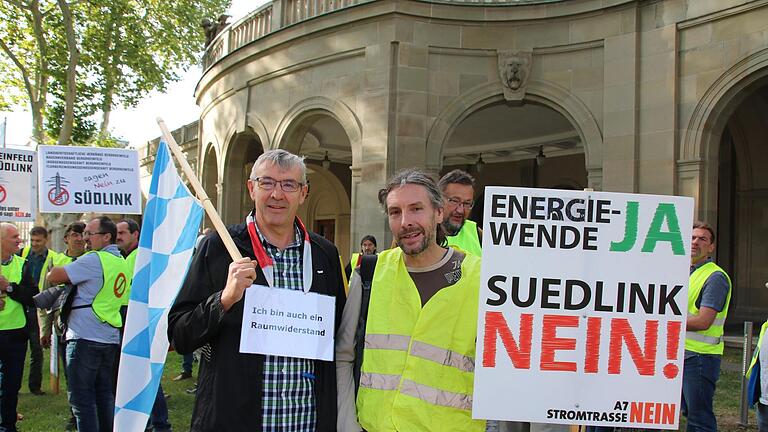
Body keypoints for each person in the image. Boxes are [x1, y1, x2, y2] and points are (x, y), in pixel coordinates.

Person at [168, 149, 346, 431]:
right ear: (252, 188)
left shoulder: (324, 254)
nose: (277, 194)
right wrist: (225, 299)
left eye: (289, 184)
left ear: (303, 194)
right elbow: (180, 335)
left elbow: (338, 336)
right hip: (236, 418)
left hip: (306, 421)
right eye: (267, 183)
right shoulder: (220, 247)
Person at [336, 168, 485, 431]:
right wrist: (347, 425)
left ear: (439, 213)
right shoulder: (369, 272)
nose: (406, 221)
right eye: (395, 212)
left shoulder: (482, 277)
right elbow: (344, 355)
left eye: (416, 209)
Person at [47, 216, 129, 432]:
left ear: (106, 237)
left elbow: (54, 275)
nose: (85, 239)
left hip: (84, 336)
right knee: (104, 395)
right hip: (108, 335)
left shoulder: (94, 259)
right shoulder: (121, 262)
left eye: (89, 234)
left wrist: (64, 266)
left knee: (82, 400)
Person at [116, 218, 172, 432]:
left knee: (145, 373)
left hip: (140, 318)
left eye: (122, 232)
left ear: (136, 234)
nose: (118, 235)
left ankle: (159, 423)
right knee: (136, 373)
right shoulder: (126, 257)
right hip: (126, 316)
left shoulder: (141, 256)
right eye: (117, 232)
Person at [682, 221, 731, 432]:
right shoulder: (687, 272)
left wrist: (667, 323)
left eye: (702, 239)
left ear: (711, 247)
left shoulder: (715, 277)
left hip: (700, 358)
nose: (695, 242)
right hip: (683, 355)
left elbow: (704, 321)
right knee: (688, 413)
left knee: (699, 418)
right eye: (692, 237)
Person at [39, 220, 86, 431]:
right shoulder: (54, 260)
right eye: (75, 234)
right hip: (63, 328)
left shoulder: (92, 259)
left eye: (82, 234)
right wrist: (45, 330)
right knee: (71, 375)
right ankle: (75, 415)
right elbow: (44, 299)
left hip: (88, 327)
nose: (79, 238)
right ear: (66, 238)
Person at [0, 223, 37, 432]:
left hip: (15, 333)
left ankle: (8, 426)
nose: (19, 241)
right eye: (14, 237)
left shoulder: (23, 264)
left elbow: (33, 297)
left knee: (11, 386)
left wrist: (9, 287)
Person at [17, 225, 54, 396]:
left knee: (37, 349)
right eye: (32, 240)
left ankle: (35, 386)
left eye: (38, 241)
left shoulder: (52, 257)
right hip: (21, 304)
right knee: (17, 348)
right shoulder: (22, 254)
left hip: (39, 306)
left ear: (46, 240)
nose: (34, 244)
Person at [438, 169, 482, 256]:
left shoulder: (478, 234)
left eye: (467, 203)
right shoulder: (421, 234)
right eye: (454, 201)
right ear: (438, 200)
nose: (460, 210)